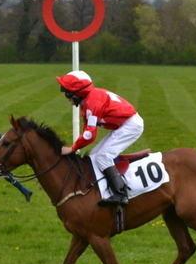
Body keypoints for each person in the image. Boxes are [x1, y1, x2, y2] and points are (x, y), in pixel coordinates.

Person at [56, 70, 144, 206]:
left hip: (131, 125)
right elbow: (88, 131)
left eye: (68, 94)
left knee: (103, 156)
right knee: (94, 155)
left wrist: (72, 148)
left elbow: (90, 135)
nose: (67, 97)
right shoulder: (89, 100)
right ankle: (102, 188)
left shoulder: (92, 103)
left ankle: (121, 194)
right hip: (124, 125)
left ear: (78, 94)